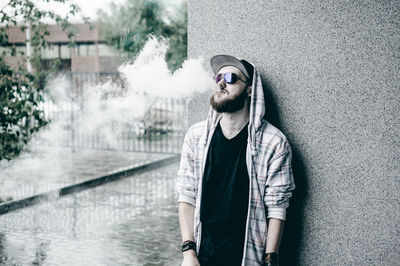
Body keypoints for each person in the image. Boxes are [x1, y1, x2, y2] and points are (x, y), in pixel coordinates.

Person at [177, 55, 295, 266]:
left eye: (231, 78)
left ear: (250, 89)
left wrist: (270, 260)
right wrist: (188, 252)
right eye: (218, 77)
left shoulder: (274, 143)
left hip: (246, 256)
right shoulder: (196, 137)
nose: (221, 82)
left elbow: (277, 207)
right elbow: (187, 196)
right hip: (200, 256)